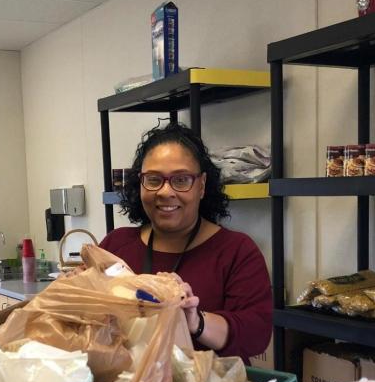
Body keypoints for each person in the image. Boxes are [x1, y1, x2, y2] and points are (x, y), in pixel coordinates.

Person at [100, 122, 272, 361]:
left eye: (181, 180)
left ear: (201, 186)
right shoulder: (116, 246)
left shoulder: (237, 251)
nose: (165, 192)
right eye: (153, 179)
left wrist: (195, 321)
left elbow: (255, 335)